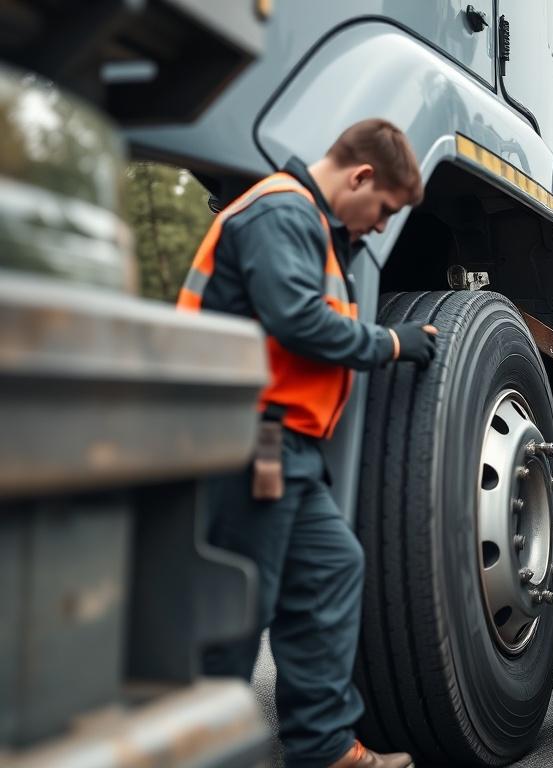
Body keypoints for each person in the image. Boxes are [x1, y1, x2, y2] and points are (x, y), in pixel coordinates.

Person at [178, 119, 434, 768]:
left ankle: (323, 748)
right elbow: (297, 321)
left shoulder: (312, 228)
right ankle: (200, 751)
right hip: (244, 438)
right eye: (383, 210)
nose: (380, 227)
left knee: (330, 568)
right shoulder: (279, 212)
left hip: (283, 447)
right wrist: (392, 343)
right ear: (361, 177)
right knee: (239, 606)